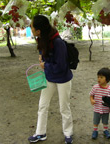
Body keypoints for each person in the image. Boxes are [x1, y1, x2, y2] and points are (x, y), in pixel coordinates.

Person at [28, 15, 73, 144]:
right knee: (42, 106)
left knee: (64, 107)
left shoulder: (58, 42)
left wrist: (45, 65)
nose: (30, 28)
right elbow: (44, 51)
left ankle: (68, 134)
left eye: (32, 27)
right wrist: (41, 57)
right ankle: (40, 133)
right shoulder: (42, 38)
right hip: (49, 77)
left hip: (63, 78)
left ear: (39, 30)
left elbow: (61, 65)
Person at [89, 67, 110, 140]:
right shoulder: (95, 87)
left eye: (101, 77)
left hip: (105, 109)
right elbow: (91, 95)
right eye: (98, 77)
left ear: (107, 79)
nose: (98, 79)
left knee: (105, 121)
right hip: (97, 108)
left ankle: (105, 130)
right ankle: (95, 130)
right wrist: (91, 100)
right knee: (96, 120)